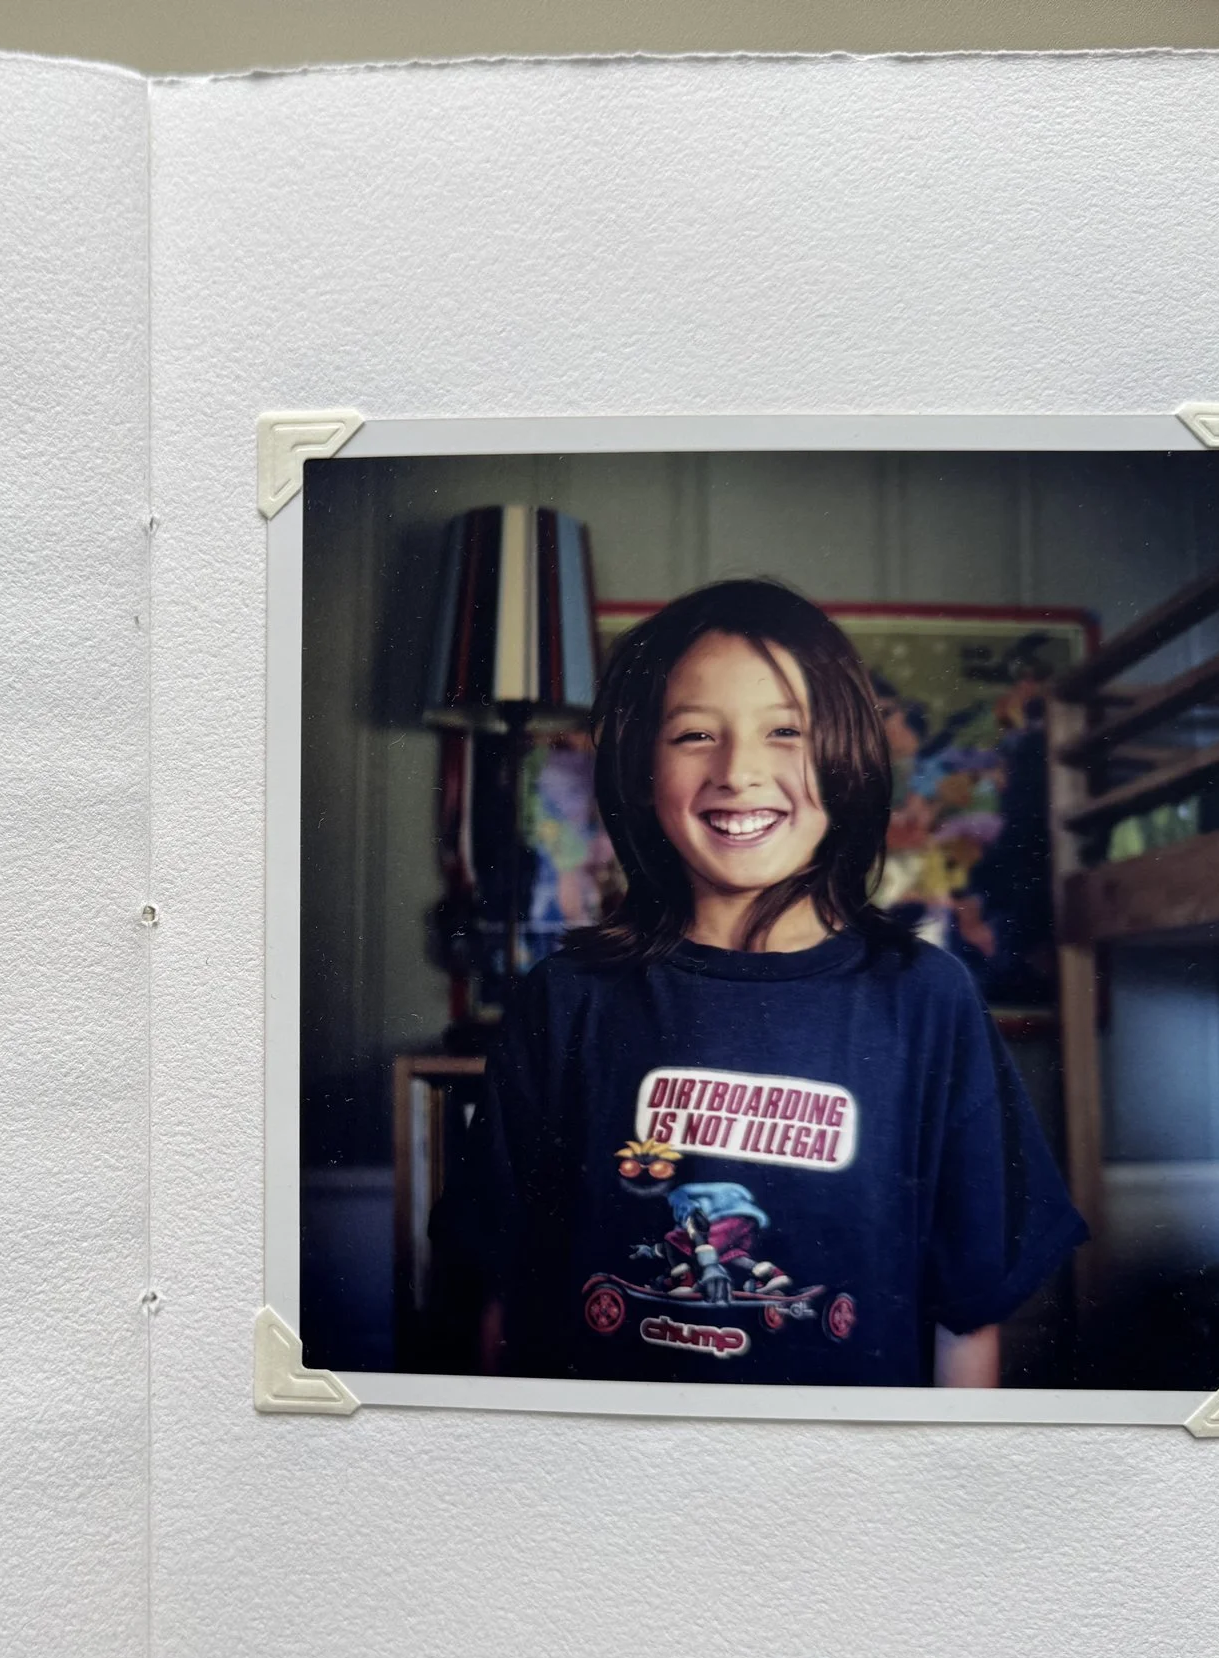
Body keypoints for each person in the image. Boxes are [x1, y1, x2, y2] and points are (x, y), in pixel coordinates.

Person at [437, 579, 1085, 1388]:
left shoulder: (929, 999)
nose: (739, 771)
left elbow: (968, 1318)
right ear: (642, 772)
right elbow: (499, 1295)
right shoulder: (566, 999)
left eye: (785, 730)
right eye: (694, 735)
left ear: (845, 757)